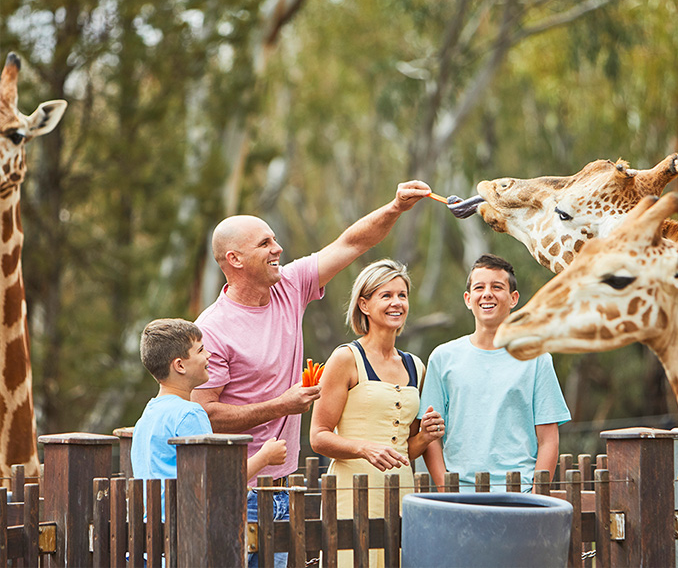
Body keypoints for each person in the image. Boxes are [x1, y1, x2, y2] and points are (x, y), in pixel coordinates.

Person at [190, 181, 431, 564]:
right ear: (234, 259)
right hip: (235, 489)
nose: (278, 249)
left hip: (283, 487)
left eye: (275, 240)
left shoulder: (289, 284)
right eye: (265, 244)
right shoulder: (214, 329)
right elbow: (203, 415)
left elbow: (352, 243)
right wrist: (280, 405)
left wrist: (396, 207)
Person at [310, 259, 443, 568]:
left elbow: (403, 451)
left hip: (400, 494)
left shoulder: (415, 366)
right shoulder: (345, 358)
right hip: (350, 494)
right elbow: (318, 436)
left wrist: (424, 436)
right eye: (386, 295)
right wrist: (363, 447)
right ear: (364, 305)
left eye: (402, 295)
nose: (397, 302)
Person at [419, 254, 571, 492]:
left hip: (519, 495)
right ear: (468, 299)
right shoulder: (442, 358)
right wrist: (446, 490)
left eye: (497, 287)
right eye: (479, 287)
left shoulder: (537, 358)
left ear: (513, 299)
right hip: (460, 495)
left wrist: (534, 494)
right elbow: (430, 437)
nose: (487, 293)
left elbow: (549, 440)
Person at [131, 318, 287, 521]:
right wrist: (265, 457)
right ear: (180, 365)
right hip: (186, 536)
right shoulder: (190, 414)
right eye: (200, 350)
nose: (208, 355)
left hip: (155, 538)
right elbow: (218, 483)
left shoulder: (147, 416)